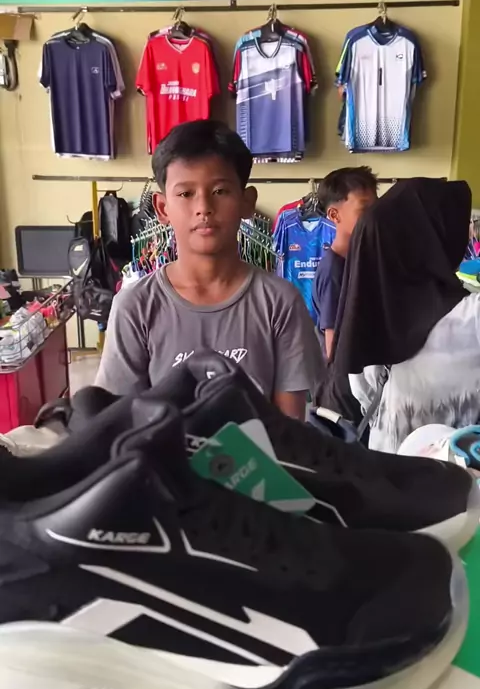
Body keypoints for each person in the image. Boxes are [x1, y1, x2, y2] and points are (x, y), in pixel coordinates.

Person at [96, 120, 323, 419]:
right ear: (163, 208)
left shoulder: (280, 302)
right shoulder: (135, 306)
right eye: (185, 194)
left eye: (220, 191)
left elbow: (289, 427)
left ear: (247, 202)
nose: (203, 207)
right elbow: (121, 422)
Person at [333, 177, 478, 453]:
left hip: (386, 467)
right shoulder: (472, 318)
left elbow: (363, 395)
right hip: (457, 473)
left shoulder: (368, 312)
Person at [313, 167, 378, 360]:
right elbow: (333, 347)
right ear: (335, 215)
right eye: (364, 209)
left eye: (375, 208)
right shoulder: (334, 271)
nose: (373, 216)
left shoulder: (358, 261)